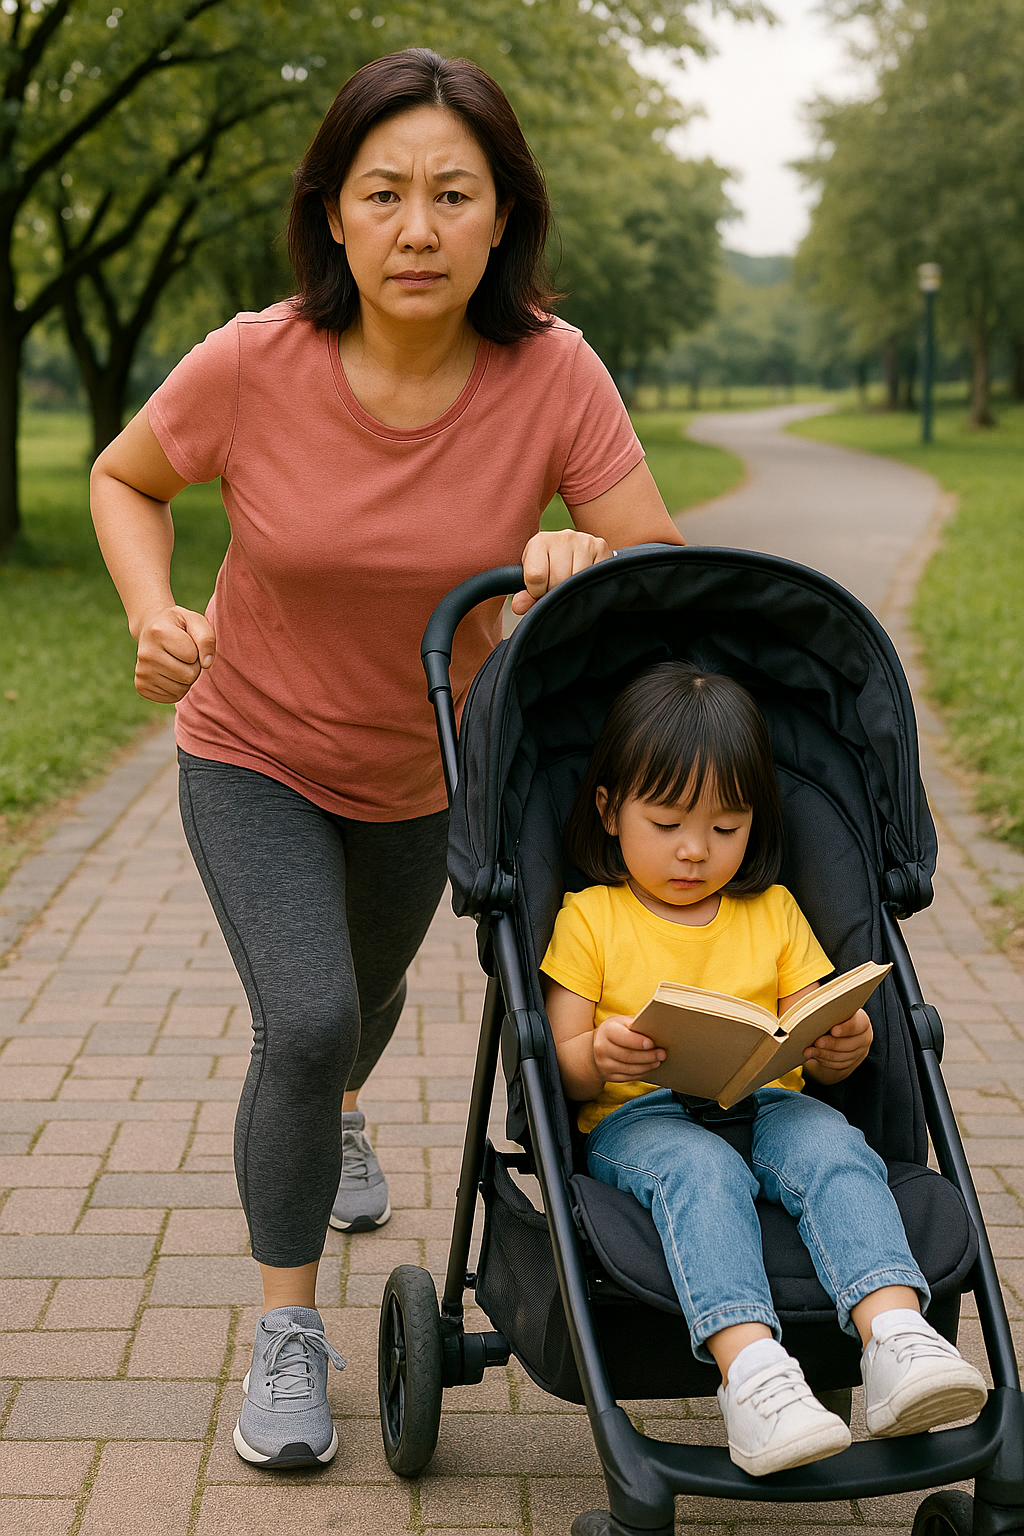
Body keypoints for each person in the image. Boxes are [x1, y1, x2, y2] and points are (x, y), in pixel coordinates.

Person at [89, 49, 685, 1468]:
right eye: (385, 194)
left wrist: (580, 554)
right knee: (301, 1021)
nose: (417, 228)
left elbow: (660, 557)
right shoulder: (254, 360)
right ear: (336, 217)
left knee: (357, 1006)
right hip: (252, 749)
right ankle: (288, 1333)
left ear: (500, 221)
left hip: (433, 770)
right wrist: (150, 608)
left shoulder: (553, 372)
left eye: (452, 195)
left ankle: (342, 1106)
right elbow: (126, 476)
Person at [541, 661, 986, 1478]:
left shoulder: (773, 911)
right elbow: (558, 1063)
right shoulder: (591, 917)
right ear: (609, 810)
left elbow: (814, 1019)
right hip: (640, 1122)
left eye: (724, 827)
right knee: (701, 1169)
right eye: (668, 822)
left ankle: (896, 1338)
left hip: (769, 1102)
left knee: (835, 1146)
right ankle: (754, 1374)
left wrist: (839, 1043)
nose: (694, 850)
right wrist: (600, 1053)